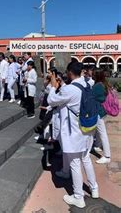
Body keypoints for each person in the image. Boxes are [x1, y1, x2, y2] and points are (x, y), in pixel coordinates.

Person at [47, 62, 99, 209]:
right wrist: (62, 85)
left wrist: (52, 86)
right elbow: (70, 95)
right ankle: (94, 188)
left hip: (75, 131)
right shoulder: (87, 84)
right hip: (88, 128)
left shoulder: (70, 89)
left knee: (75, 163)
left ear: (70, 72)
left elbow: (52, 100)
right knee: (86, 158)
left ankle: (78, 197)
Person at [92, 68, 111, 164]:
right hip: (102, 111)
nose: (91, 74)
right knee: (99, 131)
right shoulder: (103, 84)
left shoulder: (97, 86)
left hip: (98, 111)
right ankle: (98, 146)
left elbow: (91, 97)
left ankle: (107, 156)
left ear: (96, 76)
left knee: (102, 133)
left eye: (93, 73)